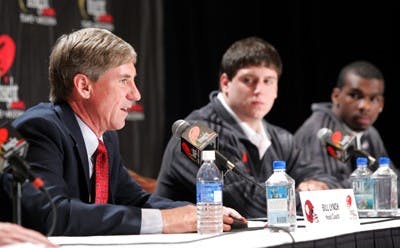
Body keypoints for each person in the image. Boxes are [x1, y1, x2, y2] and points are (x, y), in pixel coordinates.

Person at [10, 27, 244, 236]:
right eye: (124, 81)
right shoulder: (41, 129)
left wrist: (200, 212)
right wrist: (164, 221)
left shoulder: (106, 137)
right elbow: (52, 214)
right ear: (84, 86)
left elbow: (135, 200)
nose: (136, 94)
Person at [155, 36, 339, 218]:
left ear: (276, 89)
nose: (259, 90)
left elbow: (323, 176)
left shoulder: (280, 138)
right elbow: (247, 203)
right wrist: (317, 201)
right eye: (248, 80)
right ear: (225, 83)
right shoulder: (198, 133)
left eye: (268, 81)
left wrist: (320, 185)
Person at [294, 60, 398, 190]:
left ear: (381, 104)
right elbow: (326, 190)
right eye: (354, 95)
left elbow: (392, 180)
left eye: (373, 99)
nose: (364, 106)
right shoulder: (322, 131)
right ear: (336, 96)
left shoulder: (370, 133)